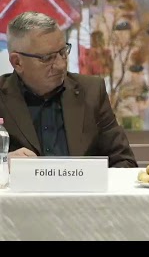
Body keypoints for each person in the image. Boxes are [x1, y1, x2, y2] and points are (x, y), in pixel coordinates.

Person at [0, 12, 138, 168]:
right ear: (17, 62)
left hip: (85, 184)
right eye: (47, 58)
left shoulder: (91, 92)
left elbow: (125, 162)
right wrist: (2, 163)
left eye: (63, 52)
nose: (61, 65)